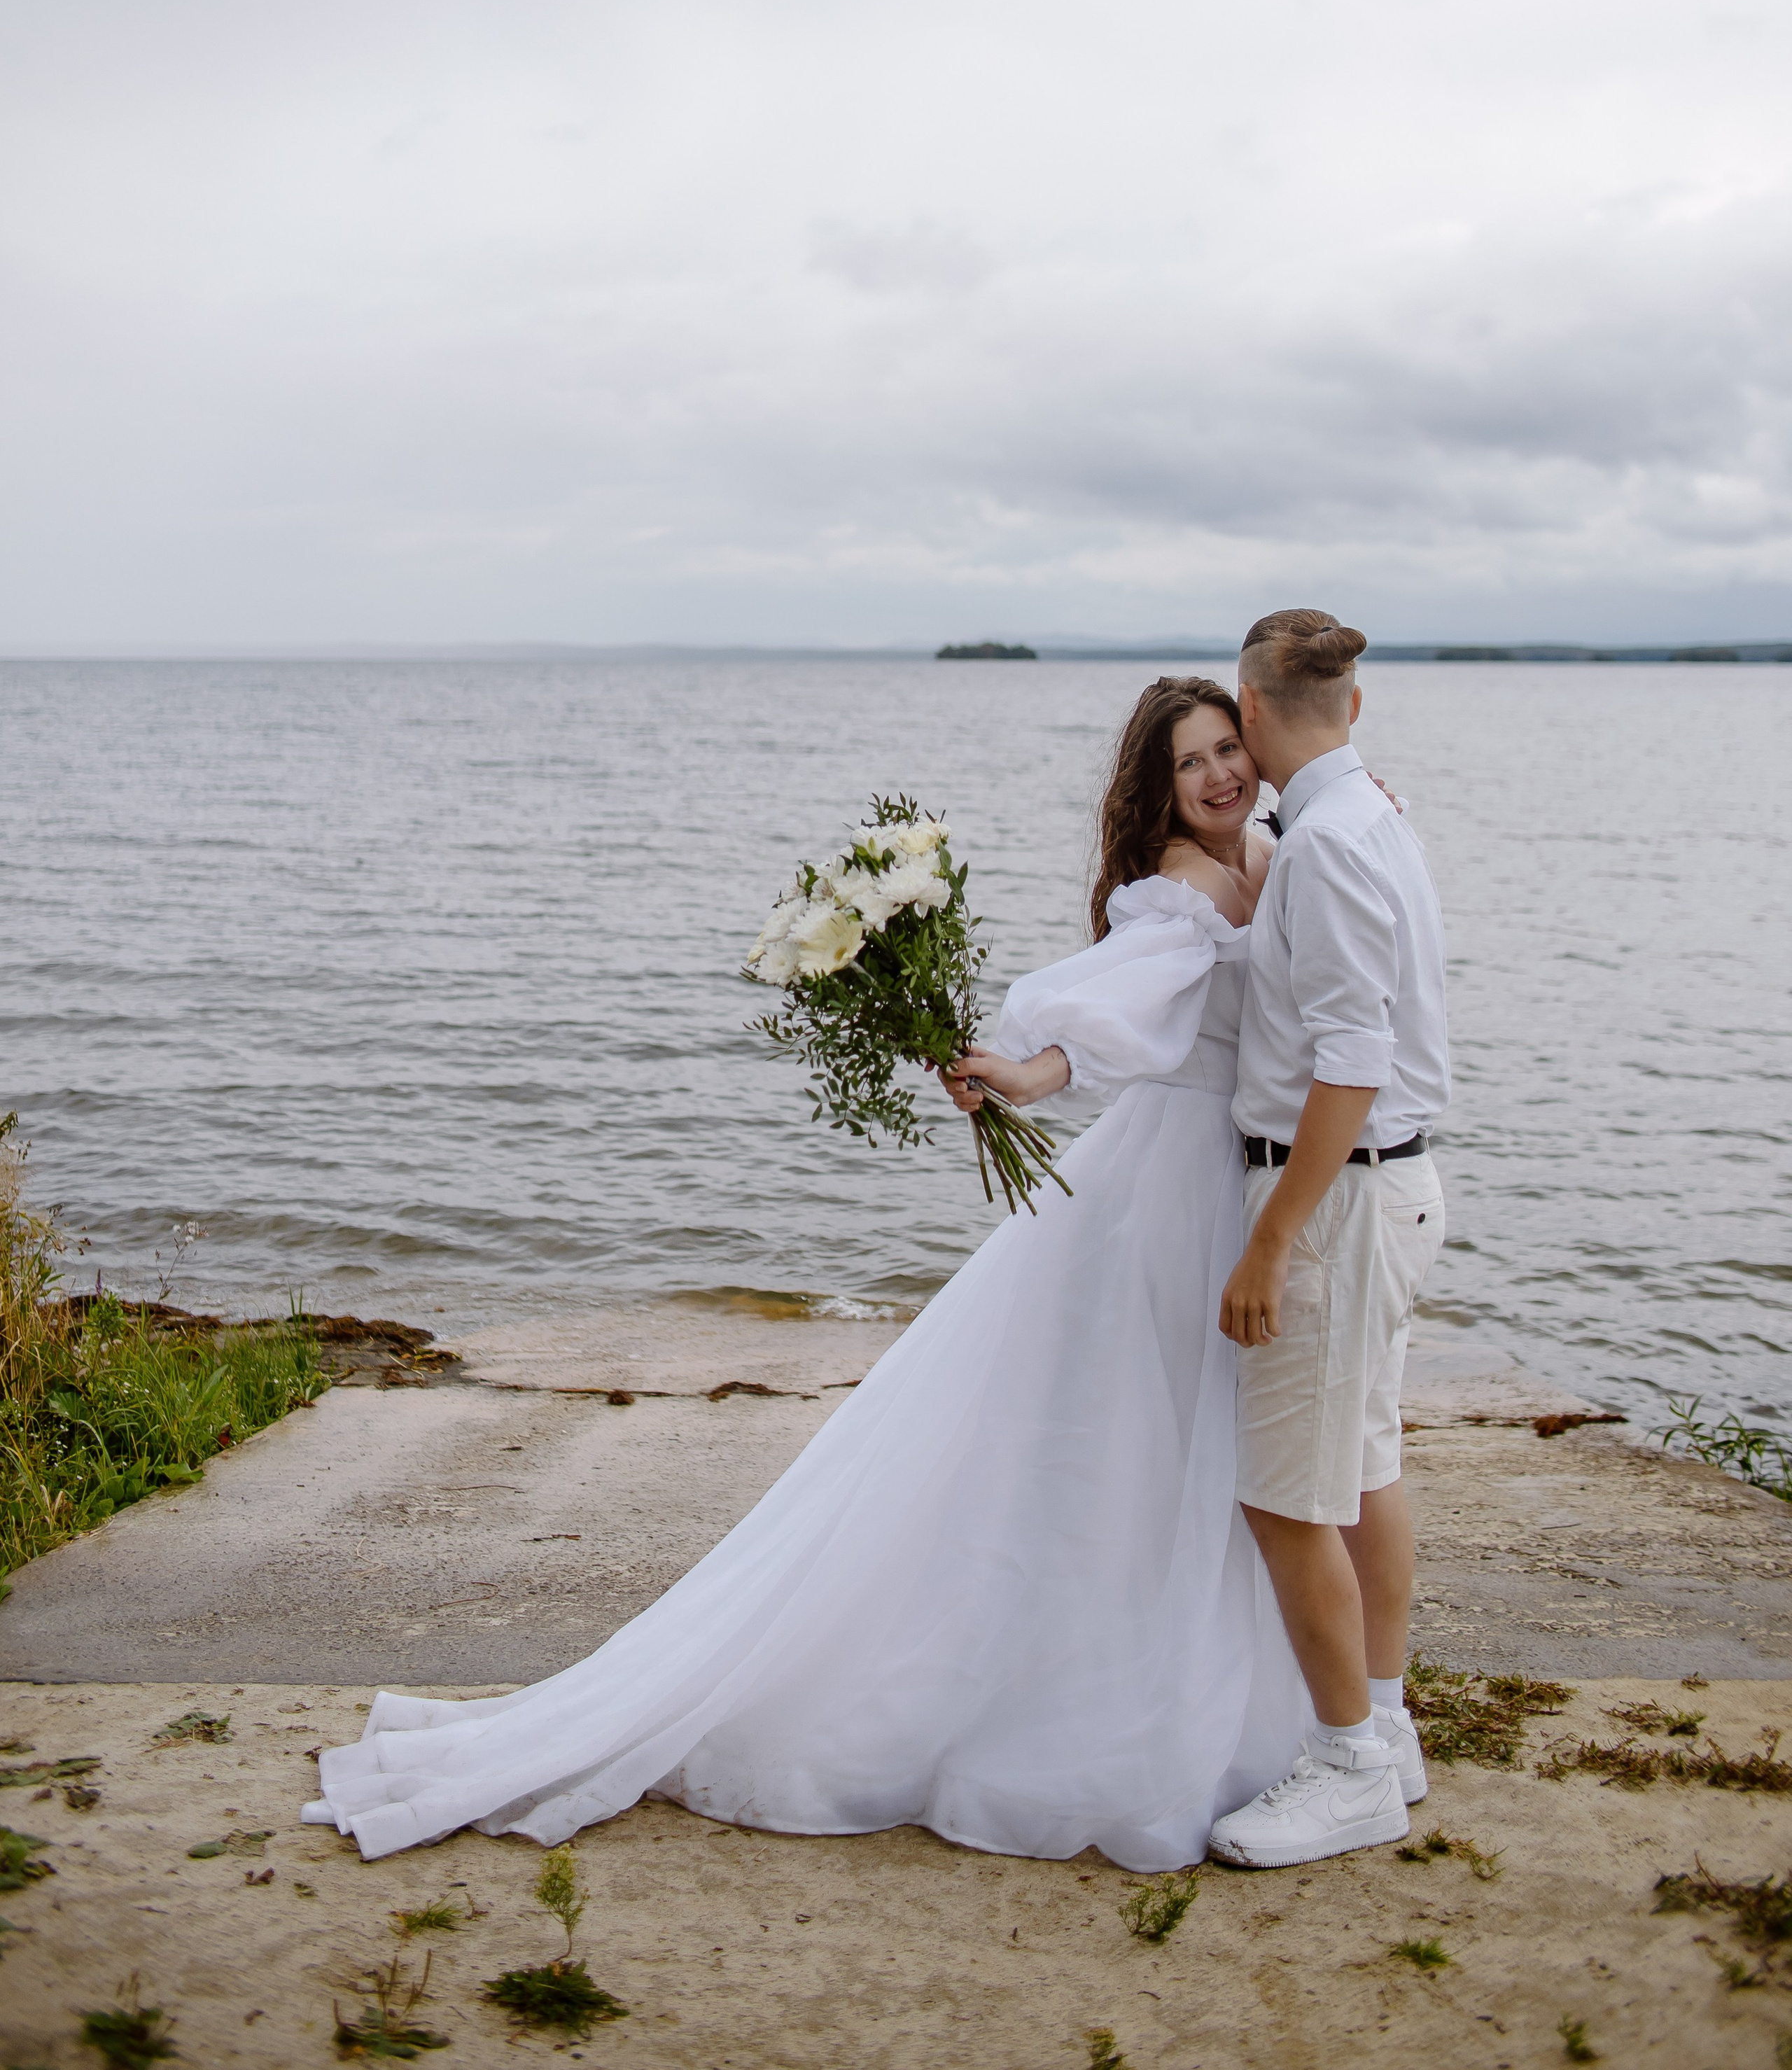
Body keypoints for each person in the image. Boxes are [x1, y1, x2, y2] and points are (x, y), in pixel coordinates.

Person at [303, 676, 1310, 1866]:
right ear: (1156, 787)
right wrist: (1027, 1073)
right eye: (1190, 761)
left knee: (1182, 1445)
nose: (1217, 775)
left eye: (1227, 750)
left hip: (1233, 1175)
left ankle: (1240, 1689)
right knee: (1151, 1450)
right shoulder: (1178, 893)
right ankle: (1134, 1706)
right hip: (1176, 1188)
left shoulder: (1274, 844)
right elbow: (1114, 1014)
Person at [1205, 609, 1450, 1870]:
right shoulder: (1364, 821)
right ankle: (1388, 1727)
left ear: (1250, 711)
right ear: (1352, 705)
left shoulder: (1334, 844)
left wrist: (1271, 1241)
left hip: (1339, 1200)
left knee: (1284, 1494)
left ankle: (1349, 1760)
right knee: (1359, 1469)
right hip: (1380, 1192)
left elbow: (1351, 1064)